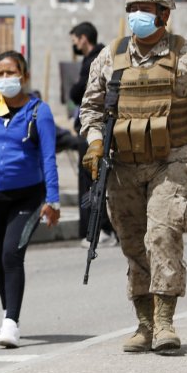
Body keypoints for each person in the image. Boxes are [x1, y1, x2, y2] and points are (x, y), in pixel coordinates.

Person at [79, 0, 187, 354]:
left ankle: (164, 322)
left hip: (170, 161)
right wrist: (95, 144)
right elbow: (91, 108)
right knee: (132, 242)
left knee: (162, 236)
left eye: (145, 10)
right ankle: (143, 323)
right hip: (122, 165)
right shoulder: (109, 57)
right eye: (132, 10)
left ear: (164, 13)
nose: (137, 17)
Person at [0, 51, 60, 348]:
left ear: (25, 76)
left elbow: (48, 157)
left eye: (11, 72)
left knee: (11, 254)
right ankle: (9, 312)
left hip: (27, 197)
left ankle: (11, 322)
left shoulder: (38, 111)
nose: (5, 79)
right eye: (0, 73)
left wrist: (52, 200)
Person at [69, 22, 116, 248]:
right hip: (96, 128)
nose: (74, 45)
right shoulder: (98, 58)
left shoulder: (96, 61)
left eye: (75, 40)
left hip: (94, 131)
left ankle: (100, 230)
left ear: (84, 39)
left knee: (92, 180)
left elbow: (78, 91)